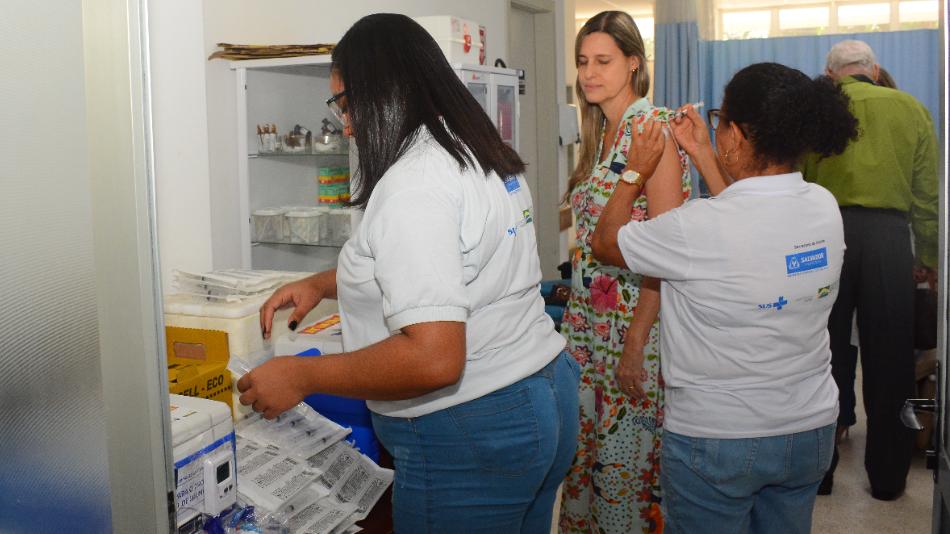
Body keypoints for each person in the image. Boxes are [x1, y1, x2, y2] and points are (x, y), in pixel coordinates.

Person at [238, 14, 579, 532]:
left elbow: (434, 357)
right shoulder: (471, 148)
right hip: (540, 391)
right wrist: (320, 284)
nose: (345, 125)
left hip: (471, 425)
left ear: (382, 92)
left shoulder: (414, 184)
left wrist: (301, 375)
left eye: (345, 104)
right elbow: (444, 263)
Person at [590, 62, 858, 533]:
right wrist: (702, 153)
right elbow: (744, 223)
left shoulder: (696, 227)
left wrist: (635, 170)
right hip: (808, 429)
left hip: (719, 438)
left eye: (719, 122)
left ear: (735, 134)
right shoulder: (823, 206)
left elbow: (606, 243)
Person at [559, 11, 690, 534]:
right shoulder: (602, 132)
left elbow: (666, 250)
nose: (589, 73)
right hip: (587, 327)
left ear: (634, 63)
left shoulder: (651, 131)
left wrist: (635, 343)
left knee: (622, 471)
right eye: (583, 61)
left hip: (630, 329)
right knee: (584, 462)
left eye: (603, 61)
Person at [801, 39, 939, 500]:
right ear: (874, 70)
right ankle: (888, 479)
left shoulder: (818, 109)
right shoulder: (911, 108)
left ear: (830, 74)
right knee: (892, 360)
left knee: (824, 353)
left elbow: (801, 181)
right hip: (889, 238)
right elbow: (927, 195)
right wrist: (929, 258)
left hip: (825, 235)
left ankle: (819, 473)